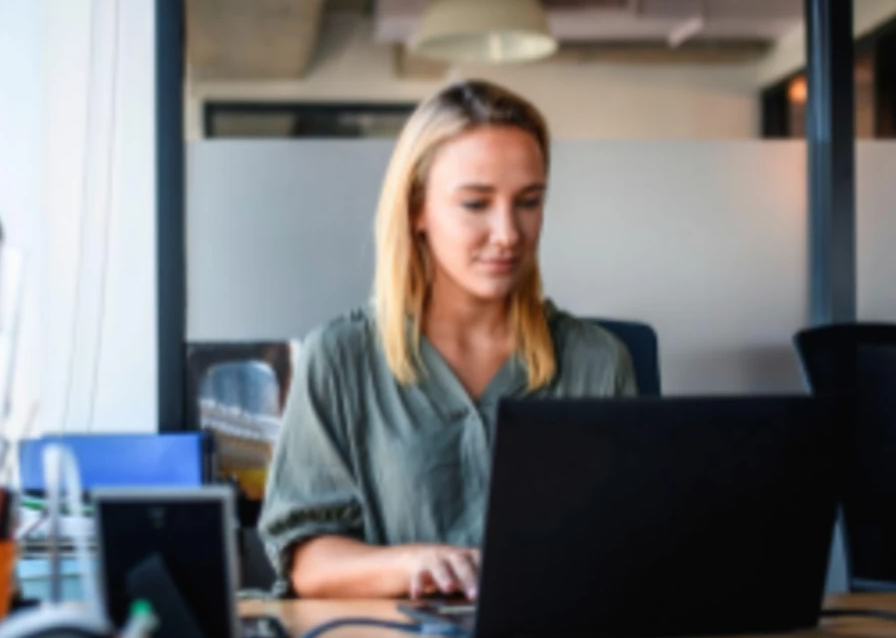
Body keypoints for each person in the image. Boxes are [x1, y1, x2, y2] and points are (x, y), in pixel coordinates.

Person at [259, 80, 638, 601]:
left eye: (528, 201)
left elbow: (631, 546)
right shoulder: (341, 357)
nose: (508, 232)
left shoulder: (598, 361)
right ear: (417, 209)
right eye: (476, 204)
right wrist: (418, 561)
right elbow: (307, 560)